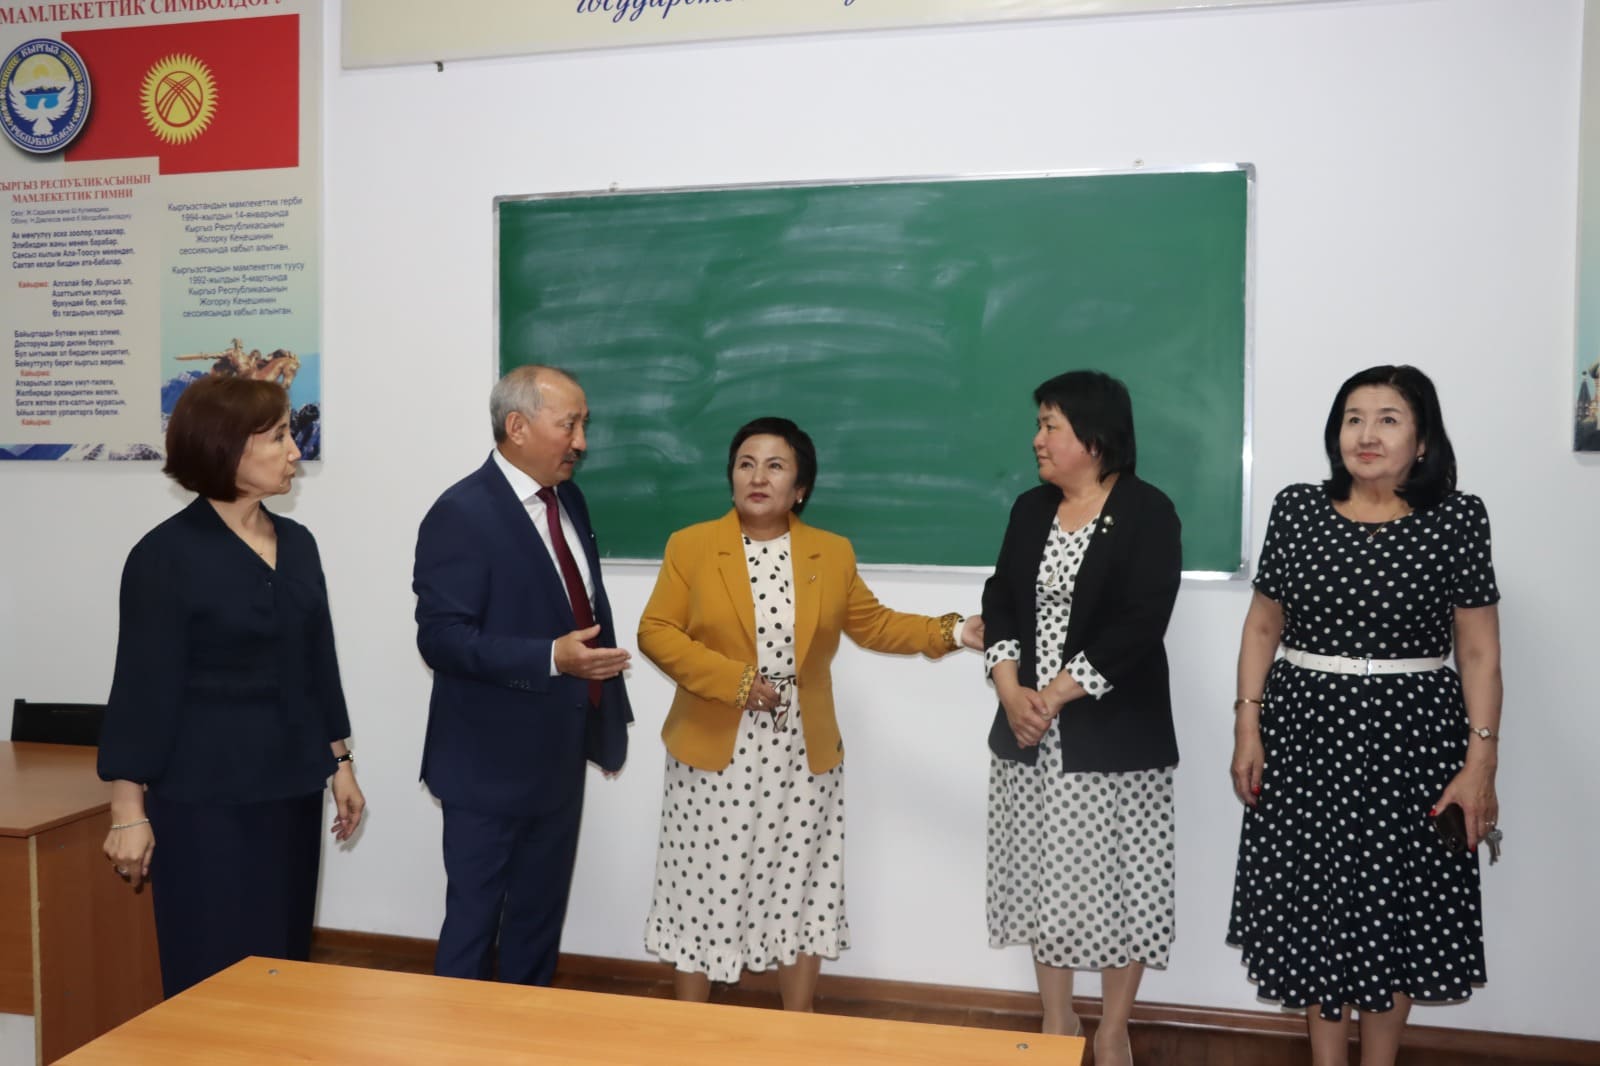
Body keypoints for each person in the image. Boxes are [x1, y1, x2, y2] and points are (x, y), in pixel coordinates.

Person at [637, 416, 983, 1011]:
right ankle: (689, 1029)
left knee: (800, 886)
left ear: (800, 488)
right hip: (713, 750)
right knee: (703, 889)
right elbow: (656, 631)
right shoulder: (690, 546)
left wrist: (952, 631)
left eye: (775, 466)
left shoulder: (830, 552)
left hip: (802, 753)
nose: (758, 477)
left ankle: (799, 1027)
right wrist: (735, 682)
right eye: (746, 464)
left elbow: (874, 624)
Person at [1227, 365, 1502, 1066]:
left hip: (1413, 744)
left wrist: (1481, 762)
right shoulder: (1298, 509)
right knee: (1315, 909)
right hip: (1305, 738)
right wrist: (1247, 724)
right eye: (1353, 418)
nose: (1366, 434)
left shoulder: (1457, 518)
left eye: (1388, 419)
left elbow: (1477, 652)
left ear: (1422, 440)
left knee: (1395, 912)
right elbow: (1263, 625)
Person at [98, 375, 364, 998]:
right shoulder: (164, 556)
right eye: (278, 437)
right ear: (226, 449)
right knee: (212, 973)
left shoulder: (298, 544)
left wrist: (341, 762)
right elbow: (140, 688)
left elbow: (316, 664)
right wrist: (127, 811)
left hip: (292, 789)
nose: (295, 451)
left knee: (284, 964)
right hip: (205, 801)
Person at [981, 370, 1181, 1066]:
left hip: (1112, 734)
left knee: (1122, 884)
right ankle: (1057, 1022)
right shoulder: (1031, 509)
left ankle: (1114, 1029)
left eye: (1050, 425)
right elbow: (1001, 599)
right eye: (1039, 424)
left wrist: (1056, 695)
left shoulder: (1148, 511)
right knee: (1045, 880)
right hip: (1029, 733)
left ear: (1094, 439)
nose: (1037, 439)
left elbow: (1141, 620)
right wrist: (1011, 690)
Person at [414, 365, 632, 987]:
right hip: (486, 763)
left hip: (558, 752)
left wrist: (602, 713)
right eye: (570, 425)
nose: (581, 442)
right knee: (474, 927)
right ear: (517, 426)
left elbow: (583, 610)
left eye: (583, 425)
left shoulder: (568, 500)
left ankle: (527, 1029)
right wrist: (549, 658)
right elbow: (441, 639)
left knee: (538, 924)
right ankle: (456, 1034)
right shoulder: (461, 513)